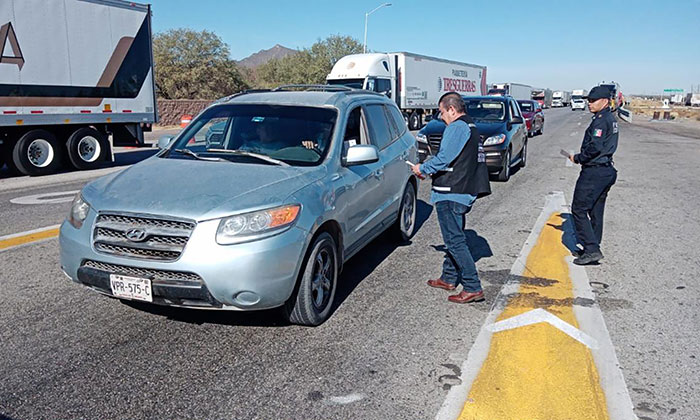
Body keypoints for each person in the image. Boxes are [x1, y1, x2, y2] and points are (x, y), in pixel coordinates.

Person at [411, 92, 491, 303]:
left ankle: (473, 286)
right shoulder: (470, 125)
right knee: (454, 236)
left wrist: (423, 168)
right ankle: (448, 277)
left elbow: (445, 158)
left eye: (442, 111)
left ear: (452, 109)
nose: (441, 116)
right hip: (462, 189)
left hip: (452, 191)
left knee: (454, 241)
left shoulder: (457, 127)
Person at [567, 85, 619, 265]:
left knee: (579, 209)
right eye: (588, 100)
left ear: (604, 101)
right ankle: (593, 245)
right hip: (606, 170)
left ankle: (591, 249)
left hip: (595, 172)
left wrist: (579, 158)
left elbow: (595, 147)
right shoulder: (609, 118)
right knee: (596, 210)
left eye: (592, 100)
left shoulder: (600, 120)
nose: (589, 103)